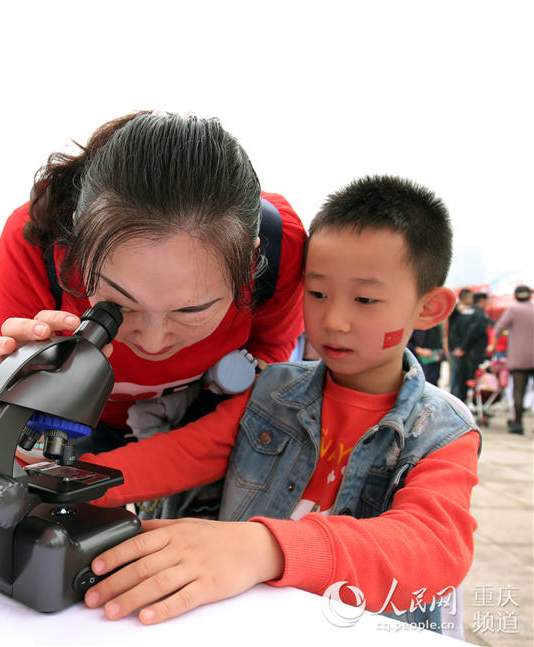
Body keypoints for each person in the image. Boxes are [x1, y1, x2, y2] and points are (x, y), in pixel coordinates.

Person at [79, 175, 480, 633]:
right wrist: (66, 483)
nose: (334, 320)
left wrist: (264, 547)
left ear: (429, 308)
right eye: (318, 293)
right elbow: (183, 454)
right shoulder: (273, 392)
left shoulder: (443, 432)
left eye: (365, 299)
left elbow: (432, 548)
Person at [0, 112, 306, 461]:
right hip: (77, 428)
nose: (152, 344)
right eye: (120, 305)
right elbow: (11, 449)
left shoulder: (282, 244)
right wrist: (14, 410)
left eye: (190, 310)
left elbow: (267, 355)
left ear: (248, 263)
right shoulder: (36, 241)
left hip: (201, 425)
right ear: (77, 240)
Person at [488, 285, 534, 434]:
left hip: (518, 357)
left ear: (515, 296)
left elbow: (499, 328)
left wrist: (492, 346)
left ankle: (518, 423)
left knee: (519, 390)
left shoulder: (513, 310)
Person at [447, 288, 489, 402]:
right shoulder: (478, 313)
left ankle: (459, 408)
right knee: (470, 382)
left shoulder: (459, 313)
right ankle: (471, 408)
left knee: (460, 383)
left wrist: (457, 348)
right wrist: (463, 347)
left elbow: (452, 332)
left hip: (459, 353)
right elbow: (475, 330)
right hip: (473, 353)